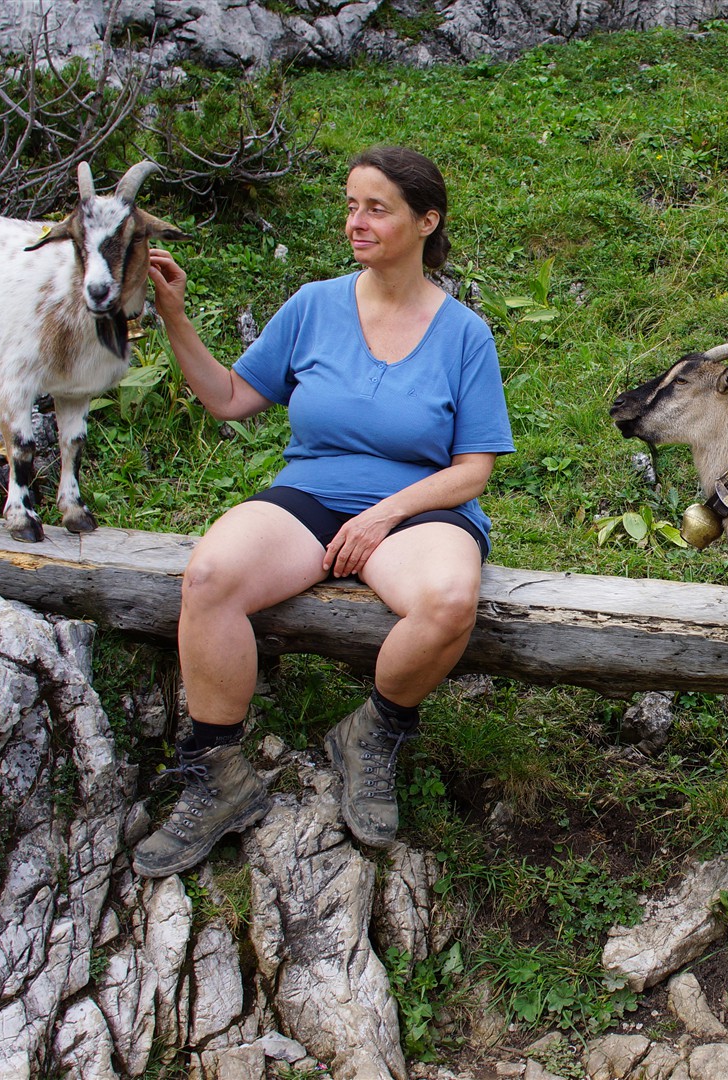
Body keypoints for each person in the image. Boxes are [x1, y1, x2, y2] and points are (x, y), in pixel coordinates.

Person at [134, 146, 514, 878]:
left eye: (377, 208)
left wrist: (383, 516)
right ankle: (218, 775)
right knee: (209, 575)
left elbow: (474, 470)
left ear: (425, 221)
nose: (356, 222)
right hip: (310, 495)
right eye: (350, 205)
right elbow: (231, 399)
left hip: (419, 512)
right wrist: (174, 316)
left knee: (447, 601)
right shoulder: (313, 306)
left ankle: (373, 731)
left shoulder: (464, 333)